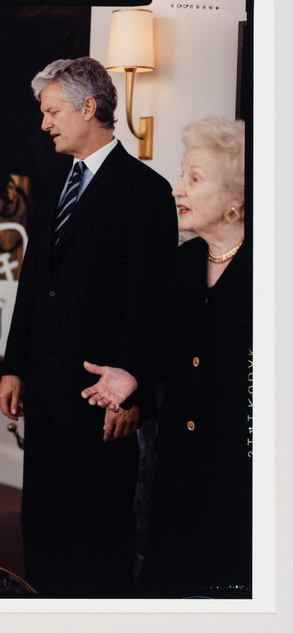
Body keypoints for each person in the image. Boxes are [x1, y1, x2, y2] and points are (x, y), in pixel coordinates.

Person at [0, 57, 177, 597]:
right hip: (46, 397)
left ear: (89, 107)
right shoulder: (54, 187)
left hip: (102, 404)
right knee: (44, 536)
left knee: (99, 542)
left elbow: (152, 302)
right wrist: (13, 368)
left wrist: (133, 390)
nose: (45, 123)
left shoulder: (145, 190)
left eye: (52, 112)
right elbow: (34, 287)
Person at [136, 117, 251, 597]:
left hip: (241, 484)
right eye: (182, 175)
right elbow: (158, 356)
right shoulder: (181, 265)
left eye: (194, 178)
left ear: (235, 199)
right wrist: (129, 379)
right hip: (177, 474)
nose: (177, 188)